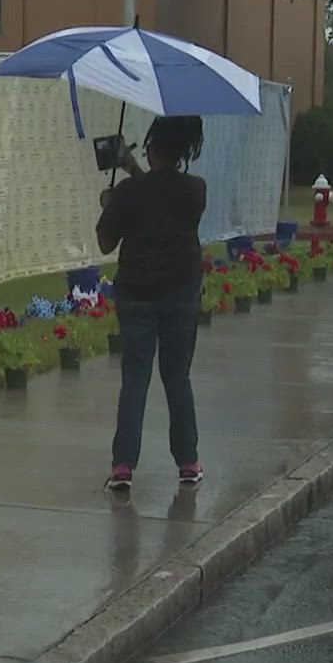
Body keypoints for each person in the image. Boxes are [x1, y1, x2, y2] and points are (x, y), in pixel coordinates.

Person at [95, 115, 208, 492]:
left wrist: (109, 203)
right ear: (185, 151)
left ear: (150, 146)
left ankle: (124, 465)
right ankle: (188, 462)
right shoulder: (196, 190)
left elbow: (105, 242)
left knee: (136, 377)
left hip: (136, 295)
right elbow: (160, 195)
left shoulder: (130, 194)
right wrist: (132, 172)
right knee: (177, 377)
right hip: (181, 294)